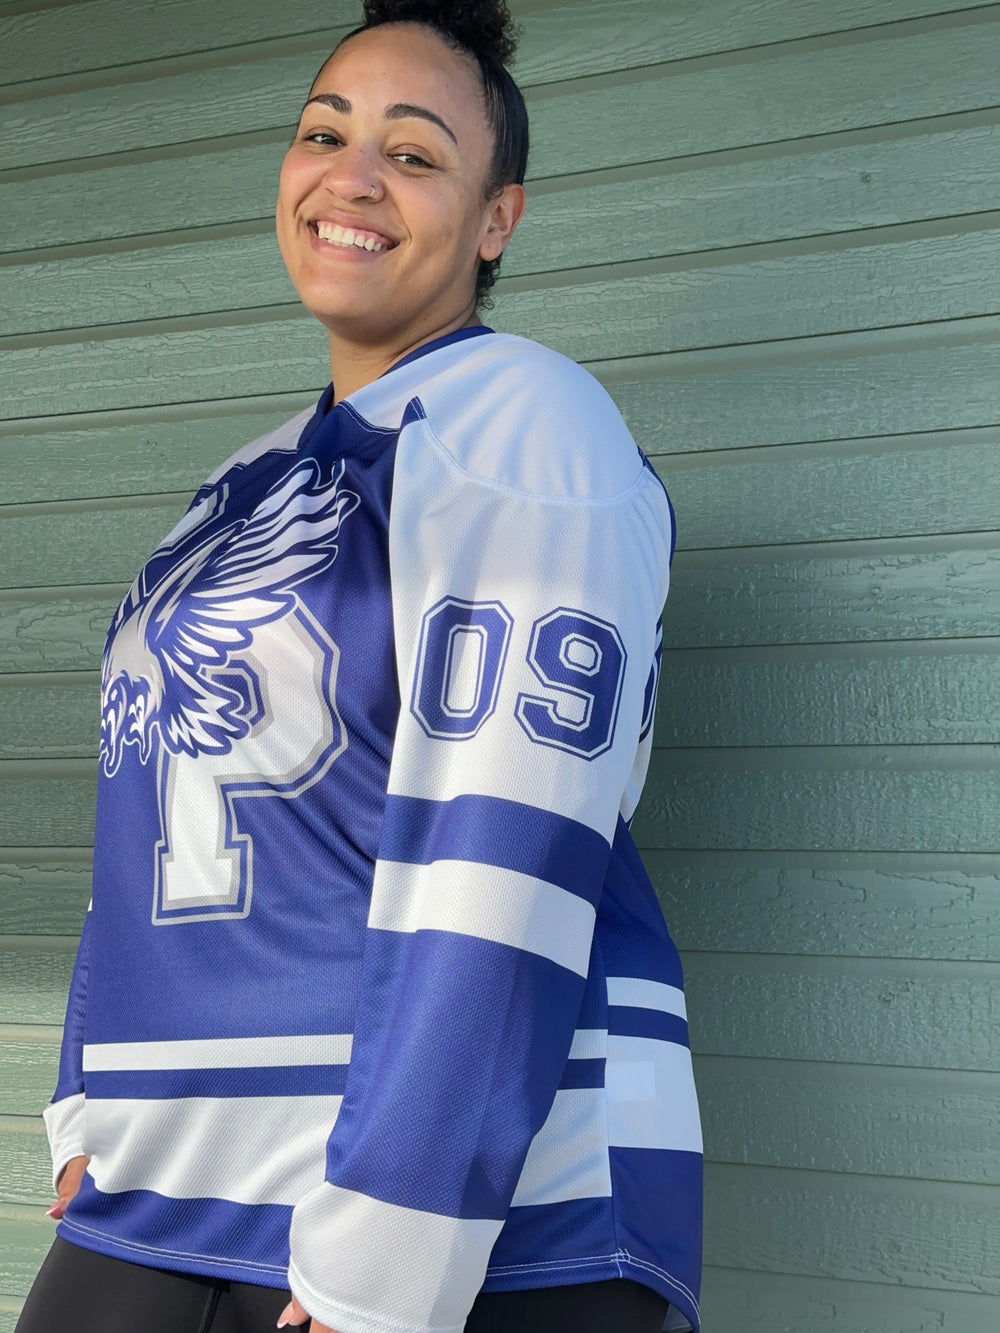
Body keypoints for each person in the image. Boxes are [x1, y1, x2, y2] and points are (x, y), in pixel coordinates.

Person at [16, 2, 702, 1331]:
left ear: (496, 218)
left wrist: (397, 1240)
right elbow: (142, 807)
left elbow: (506, 843)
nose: (355, 175)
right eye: (326, 132)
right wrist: (89, 1094)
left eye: (416, 151)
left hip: (475, 1218)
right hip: (175, 1185)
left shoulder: (524, 424)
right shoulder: (239, 482)